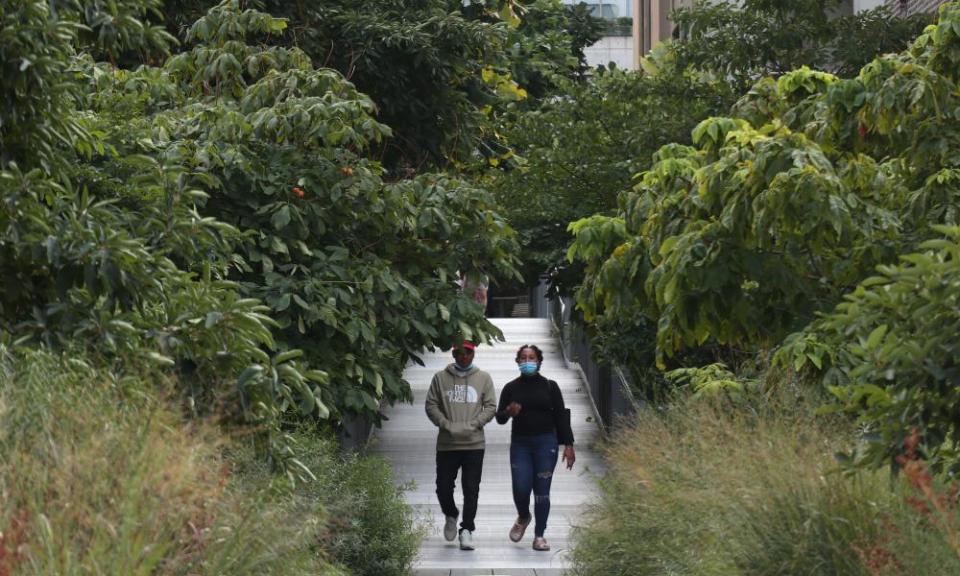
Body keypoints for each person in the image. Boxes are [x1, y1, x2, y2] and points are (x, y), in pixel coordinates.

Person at [496, 344, 575, 552]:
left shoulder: (550, 386)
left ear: (539, 362)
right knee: (521, 487)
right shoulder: (510, 388)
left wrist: (569, 445)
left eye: (532, 358)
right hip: (521, 443)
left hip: (546, 443)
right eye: (523, 358)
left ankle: (539, 535)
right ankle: (523, 515)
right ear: (518, 362)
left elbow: (560, 417)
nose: (528, 361)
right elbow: (500, 419)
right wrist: (509, 411)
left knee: (542, 492)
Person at [424, 340, 497, 551]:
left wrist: (475, 424)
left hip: (474, 443)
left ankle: (467, 530)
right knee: (443, 487)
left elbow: (491, 406)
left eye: (469, 353)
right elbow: (431, 404)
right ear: (454, 353)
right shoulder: (440, 378)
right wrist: (445, 424)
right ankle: (451, 513)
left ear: (473, 354)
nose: (465, 357)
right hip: (447, 442)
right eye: (460, 353)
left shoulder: (483, 378)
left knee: (471, 488)